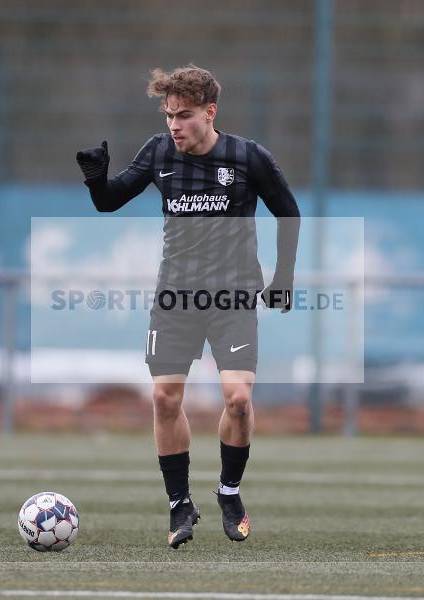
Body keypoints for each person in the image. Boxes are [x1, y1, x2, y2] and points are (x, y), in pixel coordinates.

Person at [76, 65, 299, 548]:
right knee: (164, 398)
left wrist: (283, 279)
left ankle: (229, 491)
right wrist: (97, 180)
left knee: (238, 400)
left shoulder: (247, 157)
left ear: (210, 112)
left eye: (184, 115)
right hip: (175, 296)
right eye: (169, 115)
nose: (174, 125)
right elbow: (110, 202)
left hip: (233, 295)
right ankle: (179, 504)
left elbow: (288, 211)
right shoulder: (157, 152)